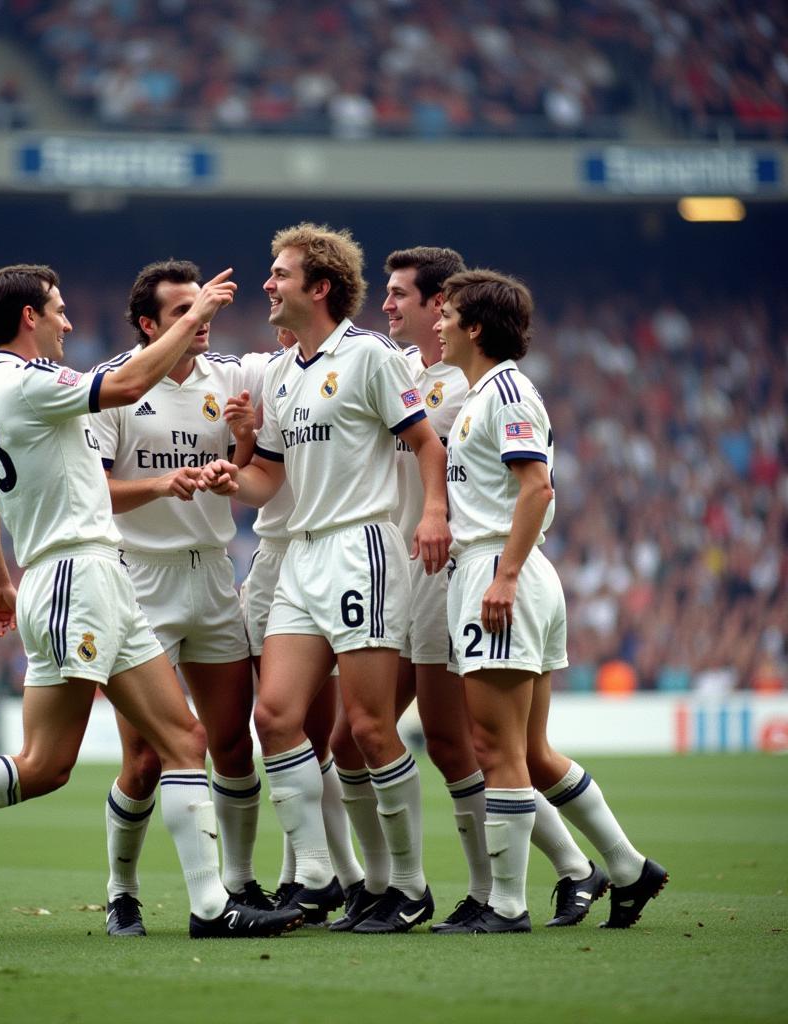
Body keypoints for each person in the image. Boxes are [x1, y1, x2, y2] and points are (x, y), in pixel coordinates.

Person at [0, 263, 302, 940]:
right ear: (29, 318)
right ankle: (206, 907)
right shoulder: (31, 381)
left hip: (77, 577)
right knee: (79, 758)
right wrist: (195, 315)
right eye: (59, 309)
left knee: (154, 746)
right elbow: (126, 382)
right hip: (78, 576)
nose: (69, 321)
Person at [331, 246, 608, 932]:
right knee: (364, 737)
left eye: (403, 296)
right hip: (397, 569)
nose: (388, 306)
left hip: (452, 571)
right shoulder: (405, 372)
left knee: (471, 745)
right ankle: (570, 872)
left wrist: (506, 567)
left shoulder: (482, 388)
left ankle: (498, 889)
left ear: (442, 311)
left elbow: (534, 485)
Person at [201, 223, 450, 934]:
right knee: (275, 718)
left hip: (361, 548)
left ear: (321, 287)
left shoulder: (369, 356)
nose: (267, 285)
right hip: (302, 556)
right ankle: (313, 875)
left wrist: (433, 513)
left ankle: (407, 885)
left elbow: (425, 444)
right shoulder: (280, 374)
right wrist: (231, 474)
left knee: (370, 728)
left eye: (279, 274)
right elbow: (268, 480)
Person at [435, 268, 668, 932]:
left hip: (499, 570)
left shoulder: (506, 393)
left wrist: (503, 576)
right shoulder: (483, 393)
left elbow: (536, 488)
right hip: (506, 568)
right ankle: (628, 869)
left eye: (448, 313)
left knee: (493, 747)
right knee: (531, 752)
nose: (439, 323)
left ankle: (506, 905)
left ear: (475, 327)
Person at [88, 259, 266, 936]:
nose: (200, 320)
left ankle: (238, 885)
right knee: (146, 758)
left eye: (203, 307)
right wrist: (166, 486)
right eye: (182, 311)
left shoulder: (229, 378)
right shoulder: (115, 385)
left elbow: (249, 472)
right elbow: (96, 491)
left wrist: (240, 448)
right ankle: (122, 890)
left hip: (213, 574)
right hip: (141, 581)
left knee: (232, 746)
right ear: (147, 324)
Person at [239, 328, 364, 917]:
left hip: (341, 553)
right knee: (289, 726)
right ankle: (320, 876)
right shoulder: (262, 370)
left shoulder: (359, 362)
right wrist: (241, 436)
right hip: (278, 559)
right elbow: (252, 469)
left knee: (329, 734)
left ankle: (347, 876)